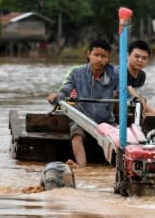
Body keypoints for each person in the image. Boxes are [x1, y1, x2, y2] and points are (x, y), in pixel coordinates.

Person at [47, 38, 119, 167]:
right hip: (82, 119)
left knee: (120, 138)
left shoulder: (115, 73)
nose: (99, 59)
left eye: (103, 56)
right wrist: (56, 96)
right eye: (96, 55)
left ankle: (117, 167)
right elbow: (65, 91)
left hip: (107, 120)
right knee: (76, 135)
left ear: (108, 58)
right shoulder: (76, 72)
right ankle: (83, 168)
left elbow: (124, 92)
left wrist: (132, 97)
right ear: (88, 54)